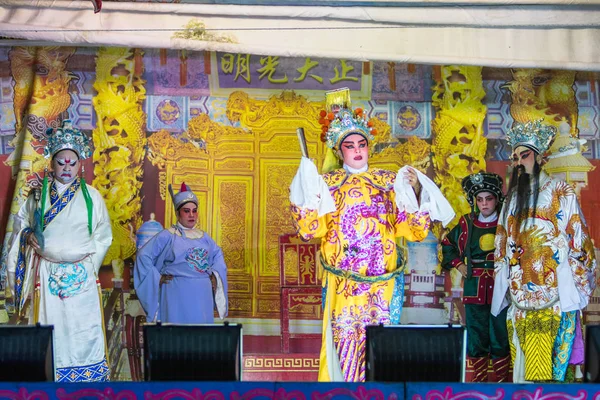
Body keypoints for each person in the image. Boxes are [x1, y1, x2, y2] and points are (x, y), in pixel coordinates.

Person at [289, 88, 454, 382]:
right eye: (349, 145)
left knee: (380, 342)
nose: (356, 149)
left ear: (369, 147)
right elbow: (311, 229)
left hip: (382, 280)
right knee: (344, 340)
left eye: (361, 143)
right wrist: (306, 195)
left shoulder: (388, 182)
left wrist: (415, 190)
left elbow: (412, 229)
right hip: (344, 280)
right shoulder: (327, 183)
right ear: (339, 151)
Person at [5, 120, 113, 382]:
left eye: (72, 162)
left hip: (82, 277)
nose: (66, 167)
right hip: (46, 271)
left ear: (80, 165)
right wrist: (28, 235)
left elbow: (103, 236)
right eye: (61, 162)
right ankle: (48, 380)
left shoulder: (93, 196)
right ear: (51, 163)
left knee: (83, 329)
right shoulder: (34, 197)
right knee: (50, 329)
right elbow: (19, 230)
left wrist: (87, 266)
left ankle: (86, 383)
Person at [492, 119, 597, 383]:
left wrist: (576, 278)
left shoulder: (562, 192)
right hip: (520, 294)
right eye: (515, 157)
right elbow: (501, 243)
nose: (518, 162)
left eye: (524, 155)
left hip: (555, 293)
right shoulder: (512, 198)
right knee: (522, 366)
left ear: (541, 156)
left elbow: (579, 240)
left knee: (553, 366)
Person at [441, 172, 510, 382]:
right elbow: (448, 244)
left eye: (488, 199)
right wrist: (459, 264)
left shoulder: (507, 222)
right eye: (479, 200)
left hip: (501, 285)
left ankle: (502, 384)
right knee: (476, 335)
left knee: (500, 334)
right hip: (474, 286)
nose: (484, 204)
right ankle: (478, 383)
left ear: (497, 199)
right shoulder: (466, 223)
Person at [134, 183, 228, 324]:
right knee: (176, 334)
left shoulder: (204, 237)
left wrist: (215, 274)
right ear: (178, 214)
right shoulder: (167, 235)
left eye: (194, 211)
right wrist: (156, 277)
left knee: (200, 334)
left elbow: (217, 257)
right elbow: (143, 256)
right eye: (186, 211)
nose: (191, 215)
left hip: (202, 293)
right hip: (176, 291)